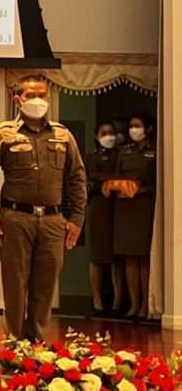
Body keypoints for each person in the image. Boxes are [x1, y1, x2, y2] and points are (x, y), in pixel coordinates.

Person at [0, 75, 86, 342]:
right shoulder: (3, 134)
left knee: (45, 284)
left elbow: (77, 177)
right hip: (15, 219)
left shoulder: (63, 135)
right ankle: (15, 344)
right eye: (30, 95)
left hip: (52, 221)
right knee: (15, 283)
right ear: (18, 100)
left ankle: (36, 342)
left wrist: (77, 218)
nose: (37, 100)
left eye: (41, 95)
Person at [111, 112, 156, 321]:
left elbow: (158, 182)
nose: (133, 130)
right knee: (128, 257)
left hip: (144, 206)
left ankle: (147, 304)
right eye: (131, 126)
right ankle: (134, 304)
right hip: (124, 207)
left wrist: (141, 189)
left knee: (143, 258)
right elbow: (117, 175)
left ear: (148, 129)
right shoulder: (125, 151)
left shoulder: (154, 152)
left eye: (137, 125)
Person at [84, 121, 122, 316]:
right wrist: (106, 180)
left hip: (119, 205)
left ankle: (118, 300)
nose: (108, 136)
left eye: (111, 132)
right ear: (96, 137)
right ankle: (97, 298)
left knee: (117, 255)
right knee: (97, 255)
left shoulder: (121, 155)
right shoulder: (91, 157)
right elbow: (90, 177)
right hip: (98, 205)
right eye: (104, 133)